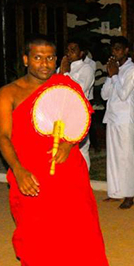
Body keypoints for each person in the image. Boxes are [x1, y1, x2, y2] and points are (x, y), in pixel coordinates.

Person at [0, 35, 111, 266]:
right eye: (37, 57)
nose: (44, 64)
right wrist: (18, 171)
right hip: (30, 174)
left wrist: (70, 145)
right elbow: (3, 137)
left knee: (73, 235)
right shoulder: (8, 93)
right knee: (34, 237)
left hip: (66, 171)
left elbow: (80, 120)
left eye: (49, 58)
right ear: (26, 59)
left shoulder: (65, 86)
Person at [101, 36, 134, 209]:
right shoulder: (114, 68)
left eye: (118, 49)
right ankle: (115, 192)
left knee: (125, 157)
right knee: (113, 156)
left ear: (126, 50)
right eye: (113, 49)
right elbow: (104, 95)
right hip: (112, 117)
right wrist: (111, 76)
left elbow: (124, 94)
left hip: (125, 118)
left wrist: (115, 75)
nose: (114, 52)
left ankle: (129, 195)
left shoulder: (132, 70)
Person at [60, 38, 96, 169]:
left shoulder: (86, 69)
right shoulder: (62, 67)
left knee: (81, 148)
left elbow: (79, 88)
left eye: (73, 50)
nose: (69, 53)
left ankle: (84, 176)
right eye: (67, 50)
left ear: (81, 53)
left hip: (78, 113)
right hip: (63, 113)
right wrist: (62, 72)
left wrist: (66, 73)